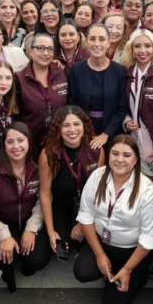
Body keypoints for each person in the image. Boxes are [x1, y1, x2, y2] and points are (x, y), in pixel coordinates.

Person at [73, 135, 153, 304]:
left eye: (127, 155)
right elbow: (86, 217)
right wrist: (100, 255)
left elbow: (148, 239)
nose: (120, 159)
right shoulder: (97, 176)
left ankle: (136, 272)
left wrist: (128, 269)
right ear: (108, 155)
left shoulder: (148, 192)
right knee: (82, 272)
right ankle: (109, 267)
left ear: (135, 160)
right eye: (115, 153)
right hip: (102, 243)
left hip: (131, 251)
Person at [0, 122, 51, 292]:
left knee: (36, 260)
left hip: (27, 218)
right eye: (10, 142)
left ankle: (26, 262)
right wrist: (3, 236)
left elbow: (43, 200)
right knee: (3, 258)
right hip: (1, 222)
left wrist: (32, 228)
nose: (16, 146)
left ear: (29, 142)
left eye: (21, 140)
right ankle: (7, 265)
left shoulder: (38, 165)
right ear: (4, 145)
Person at [38, 106, 104, 261]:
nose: (72, 130)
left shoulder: (96, 150)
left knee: (86, 248)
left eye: (76, 124)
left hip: (88, 207)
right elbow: (45, 194)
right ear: (58, 129)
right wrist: (51, 231)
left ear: (84, 126)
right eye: (66, 125)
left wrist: (82, 223)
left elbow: (99, 190)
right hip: (61, 206)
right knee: (55, 250)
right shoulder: (48, 154)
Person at [120, 28, 153, 180]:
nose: (142, 51)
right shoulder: (126, 74)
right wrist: (126, 121)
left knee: (152, 184)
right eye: (137, 46)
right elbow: (122, 106)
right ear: (131, 50)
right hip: (133, 140)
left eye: (147, 46)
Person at [65, 23, 128, 146]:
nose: (97, 43)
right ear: (86, 42)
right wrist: (85, 132)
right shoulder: (75, 70)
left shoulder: (119, 71)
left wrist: (106, 134)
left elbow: (121, 108)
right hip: (81, 134)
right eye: (92, 39)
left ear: (108, 42)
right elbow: (72, 104)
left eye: (102, 39)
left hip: (112, 133)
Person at [15, 31, 68, 145]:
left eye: (50, 49)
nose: (45, 53)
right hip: (30, 142)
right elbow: (15, 115)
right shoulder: (19, 79)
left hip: (60, 141)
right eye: (40, 48)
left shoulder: (62, 73)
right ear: (31, 51)